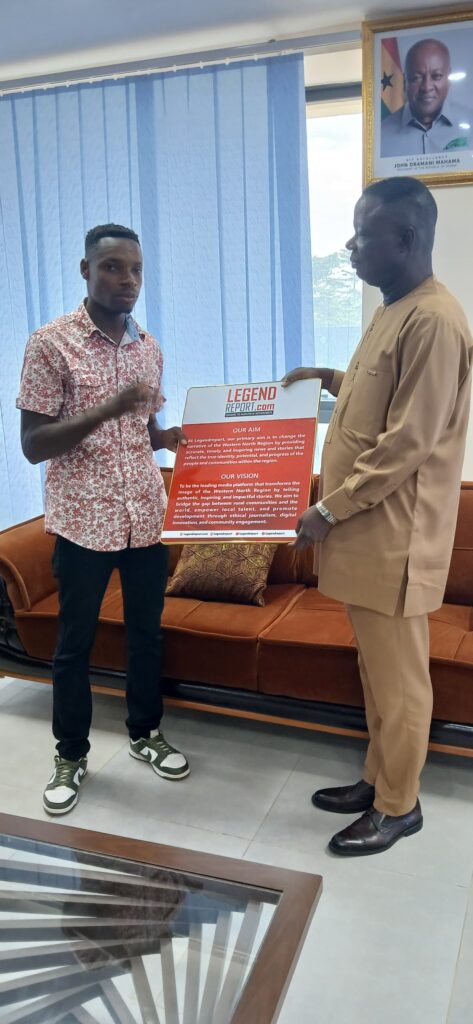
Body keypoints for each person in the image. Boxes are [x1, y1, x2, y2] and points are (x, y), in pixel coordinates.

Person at [282, 177, 473, 856]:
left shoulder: (434, 320)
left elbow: (406, 442)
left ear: (406, 238)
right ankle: (376, 779)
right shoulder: (393, 308)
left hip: (393, 540)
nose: (349, 247)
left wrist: (326, 509)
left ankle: (398, 806)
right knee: (375, 674)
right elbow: (377, 400)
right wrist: (328, 378)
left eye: (363, 235)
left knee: (400, 684)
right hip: (368, 538)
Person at [17, 224, 190, 815]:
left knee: (147, 635)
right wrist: (106, 408)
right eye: (113, 267)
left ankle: (146, 733)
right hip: (83, 522)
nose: (127, 280)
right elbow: (34, 445)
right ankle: (71, 755)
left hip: (144, 516)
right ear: (85, 270)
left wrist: (165, 436)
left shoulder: (149, 346)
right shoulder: (50, 344)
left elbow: (141, 429)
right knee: (76, 644)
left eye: (136, 269)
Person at [381, 38, 471, 157]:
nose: (427, 87)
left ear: (448, 78)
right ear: (405, 81)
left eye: (436, 76)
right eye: (416, 78)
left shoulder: (470, 121)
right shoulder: (380, 135)